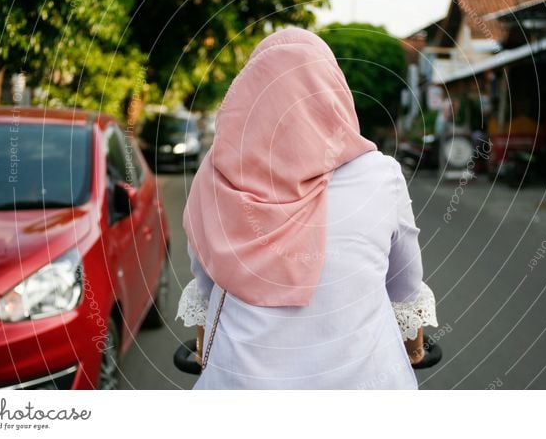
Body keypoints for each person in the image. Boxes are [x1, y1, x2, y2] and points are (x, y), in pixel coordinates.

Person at [176, 27, 438, 389]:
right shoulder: (381, 176)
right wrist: (415, 348)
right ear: (331, 93)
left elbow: (206, 289)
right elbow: (405, 287)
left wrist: (204, 351)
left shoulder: (216, 178)